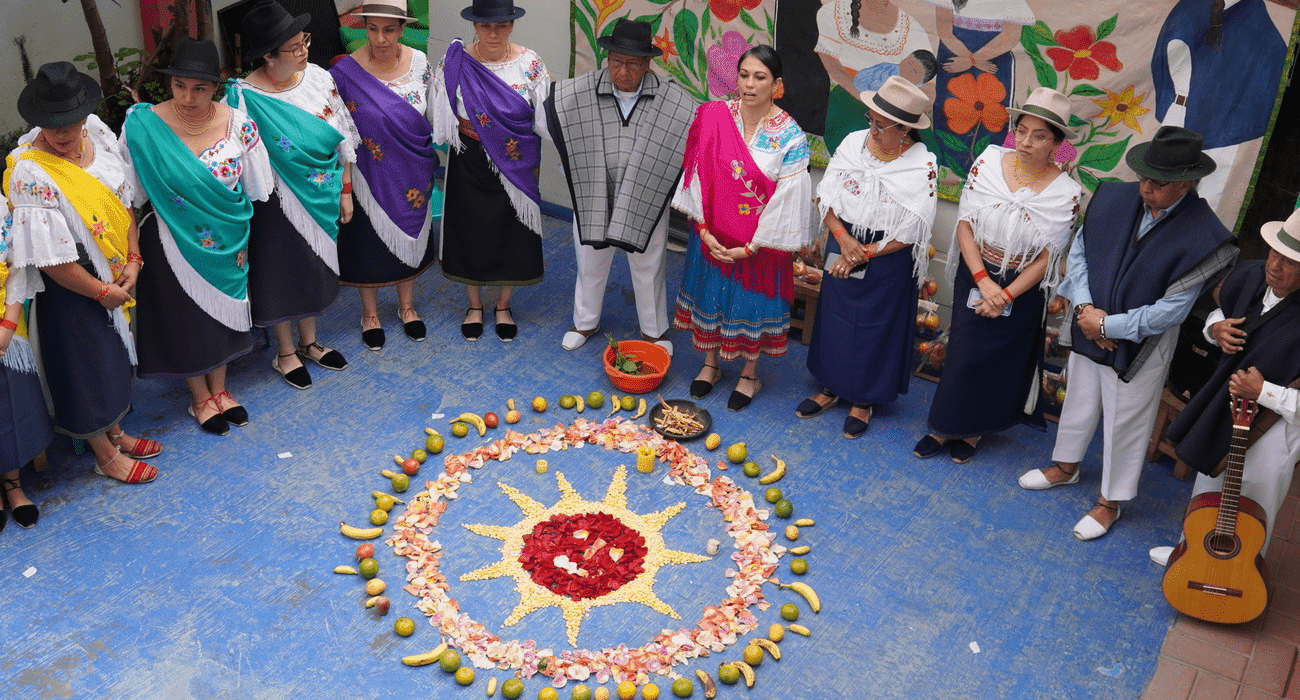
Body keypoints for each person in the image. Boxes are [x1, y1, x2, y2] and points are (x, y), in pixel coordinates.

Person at [1018, 126, 1238, 540]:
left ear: (1186, 184)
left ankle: (1110, 502)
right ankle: (1066, 466)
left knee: (1127, 420)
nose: (1144, 188)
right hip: (1090, 322)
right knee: (1079, 397)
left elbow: (1171, 310)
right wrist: (1085, 311)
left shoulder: (1206, 235)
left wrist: (1107, 325)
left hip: (1143, 346)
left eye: (1156, 183)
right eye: (1142, 177)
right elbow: (1079, 254)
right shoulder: (1114, 198)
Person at [4, 62, 160, 484]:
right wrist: (99, 291)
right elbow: (51, 260)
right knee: (84, 366)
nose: (61, 134)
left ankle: (116, 431)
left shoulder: (97, 134)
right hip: (72, 284)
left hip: (114, 267)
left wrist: (133, 258)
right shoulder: (31, 173)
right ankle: (104, 453)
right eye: (49, 125)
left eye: (68, 122)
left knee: (111, 357)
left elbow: (122, 203)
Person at [914, 88, 1082, 463]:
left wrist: (1005, 295)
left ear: (1055, 143)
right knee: (961, 353)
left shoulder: (1066, 193)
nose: (1025, 142)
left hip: (1022, 288)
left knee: (999, 359)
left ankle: (975, 429)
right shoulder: (989, 163)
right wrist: (984, 281)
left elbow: (1046, 258)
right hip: (978, 273)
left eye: (1039, 136)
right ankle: (942, 426)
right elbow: (965, 225)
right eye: (1021, 130)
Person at [121, 37, 273, 435]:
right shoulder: (142, 126)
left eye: (200, 88)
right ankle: (198, 397)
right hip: (171, 237)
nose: (189, 97)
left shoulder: (238, 123)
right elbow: (129, 194)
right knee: (186, 317)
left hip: (229, 238)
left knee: (221, 313)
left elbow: (258, 187)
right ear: (169, 84)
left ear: (216, 87)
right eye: (180, 86)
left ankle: (220, 390)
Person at [1150, 208, 1300, 564]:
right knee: (1208, 481)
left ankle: (1242, 570)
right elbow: (1219, 309)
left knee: (1257, 496)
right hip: (1227, 404)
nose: (1275, 265)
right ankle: (1190, 552)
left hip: (1277, 426)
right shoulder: (1250, 275)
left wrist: (1264, 392)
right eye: (1274, 252)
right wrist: (1216, 329)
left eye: (1290, 261)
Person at [673, 45, 812, 412]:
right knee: (711, 298)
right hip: (712, 237)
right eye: (744, 75)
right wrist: (704, 231)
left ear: (776, 85)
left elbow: (788, 201)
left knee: (750, 307)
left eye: (760, 77)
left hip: (758, 246)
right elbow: (696, 175)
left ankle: (750, 373)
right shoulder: (713, 116)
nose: (749, 85)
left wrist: (750, 248)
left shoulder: (791, 138)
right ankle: (711, 364)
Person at [544, 18, 695, 355]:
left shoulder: (673, 100)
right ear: (607, 59)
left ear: (647, 63)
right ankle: (585, 322)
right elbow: (548, 119)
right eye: (616, 61)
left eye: (631, 63)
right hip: (593, 190)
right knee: (590, 261)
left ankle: (654, 332)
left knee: (649, 264)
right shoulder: (579, 91)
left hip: (646, 194)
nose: (622, 71)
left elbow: (698, 131)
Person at [798, 76, 938, 438]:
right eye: (871, 119)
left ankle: (864, 399)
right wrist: (844, 239)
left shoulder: (922, 166)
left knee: (876, 325)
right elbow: (826, 195)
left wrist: (867, 253)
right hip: (843, 244)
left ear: (905, 130)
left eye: (880, 125)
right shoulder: (851, 144)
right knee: (835, 316)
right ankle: (830, 387)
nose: (872, 129)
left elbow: (912, 228)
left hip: (886, 258)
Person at [230, 0, 358, 389]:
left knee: (314, 266)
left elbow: (344, 134)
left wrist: (347, 190)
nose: (304, 50)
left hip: (323, 192)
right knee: (280, 272)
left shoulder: (318, 77)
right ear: (268, 56)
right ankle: (285, 352)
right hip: (275, 200)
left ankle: (311, 342)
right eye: (293, 47)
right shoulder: (242, 99)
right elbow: (236, 156)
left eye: (304, 40)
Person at [429, 0, 551, 342]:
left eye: (501, 25)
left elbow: (543, 115)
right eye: (485, 26)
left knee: (512, 230)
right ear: (474, 25)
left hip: (517, 160)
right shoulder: (454, 62)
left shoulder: (530, 63)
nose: (493, 32)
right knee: (469, 228)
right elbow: (441, 110)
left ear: (512, 24)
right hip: (468, 158)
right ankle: (474, 306)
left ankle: (502, 306)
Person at [329, 0, 442, 351]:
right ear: (363, 27)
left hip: (414, 170)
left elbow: (433, 112)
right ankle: (370, 315)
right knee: (367, 243)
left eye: (389, 29)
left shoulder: (421, 63)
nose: (380, 38)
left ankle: (407, 308)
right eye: (373, 28)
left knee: (410, 236)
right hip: (368, 174)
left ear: (403, 29)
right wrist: (344, 187)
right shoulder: (344, 72)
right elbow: (338, 130)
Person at [1, 215, 53, 530]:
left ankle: (12, 483)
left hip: (5, 324)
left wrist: (7, 324)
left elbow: (16, 267)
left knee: (8, 405)